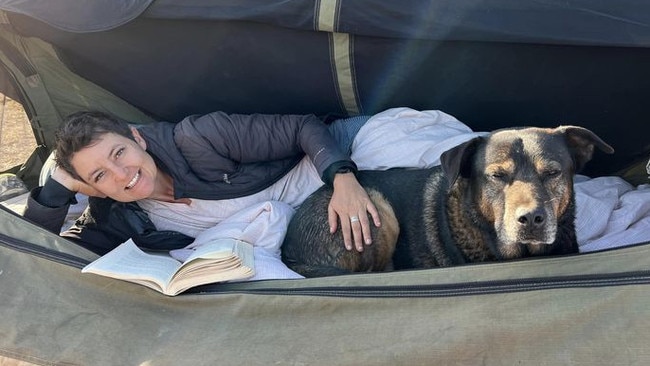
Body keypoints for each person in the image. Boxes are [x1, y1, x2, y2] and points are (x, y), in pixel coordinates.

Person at [23, 110, 381, 255]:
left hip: (342, 151)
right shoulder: (120, 216)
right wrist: (56, 189)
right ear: (90, 188)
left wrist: (343, 179)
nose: (121, 175)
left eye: (119, 152)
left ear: (138, 138)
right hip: (304, 214)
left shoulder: (196, 137)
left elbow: (304, 127)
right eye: (99, 175)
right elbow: (38, 253)